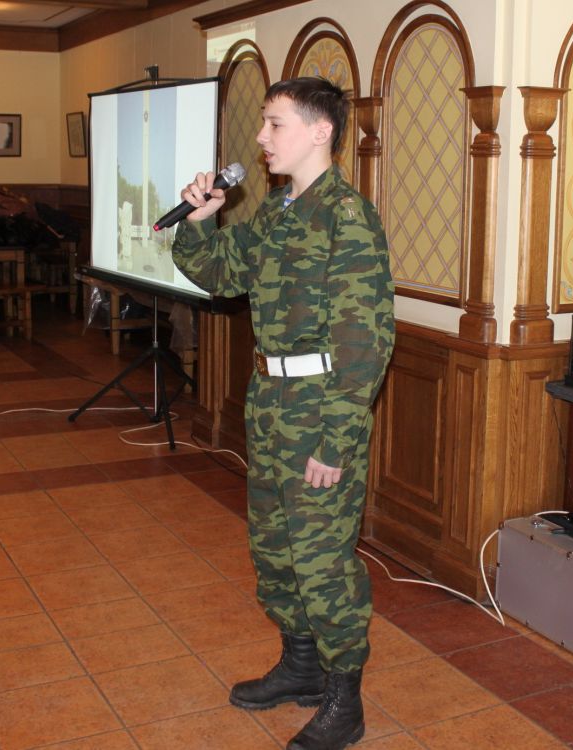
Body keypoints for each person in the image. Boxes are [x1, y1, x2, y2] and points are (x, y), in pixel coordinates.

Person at [171, 77, 394, 750]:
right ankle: (300, 667)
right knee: (274, 551)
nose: (261, 137)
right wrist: (200, 220)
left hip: (320, 411)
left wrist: (336, 442)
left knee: (322, 561)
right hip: (270, 403)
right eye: (264, 124)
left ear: (320, 131)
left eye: (275, 124)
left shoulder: (347, 219)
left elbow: (364, 343)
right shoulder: (278, 209)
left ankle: (344, 700)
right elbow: (221, 274)